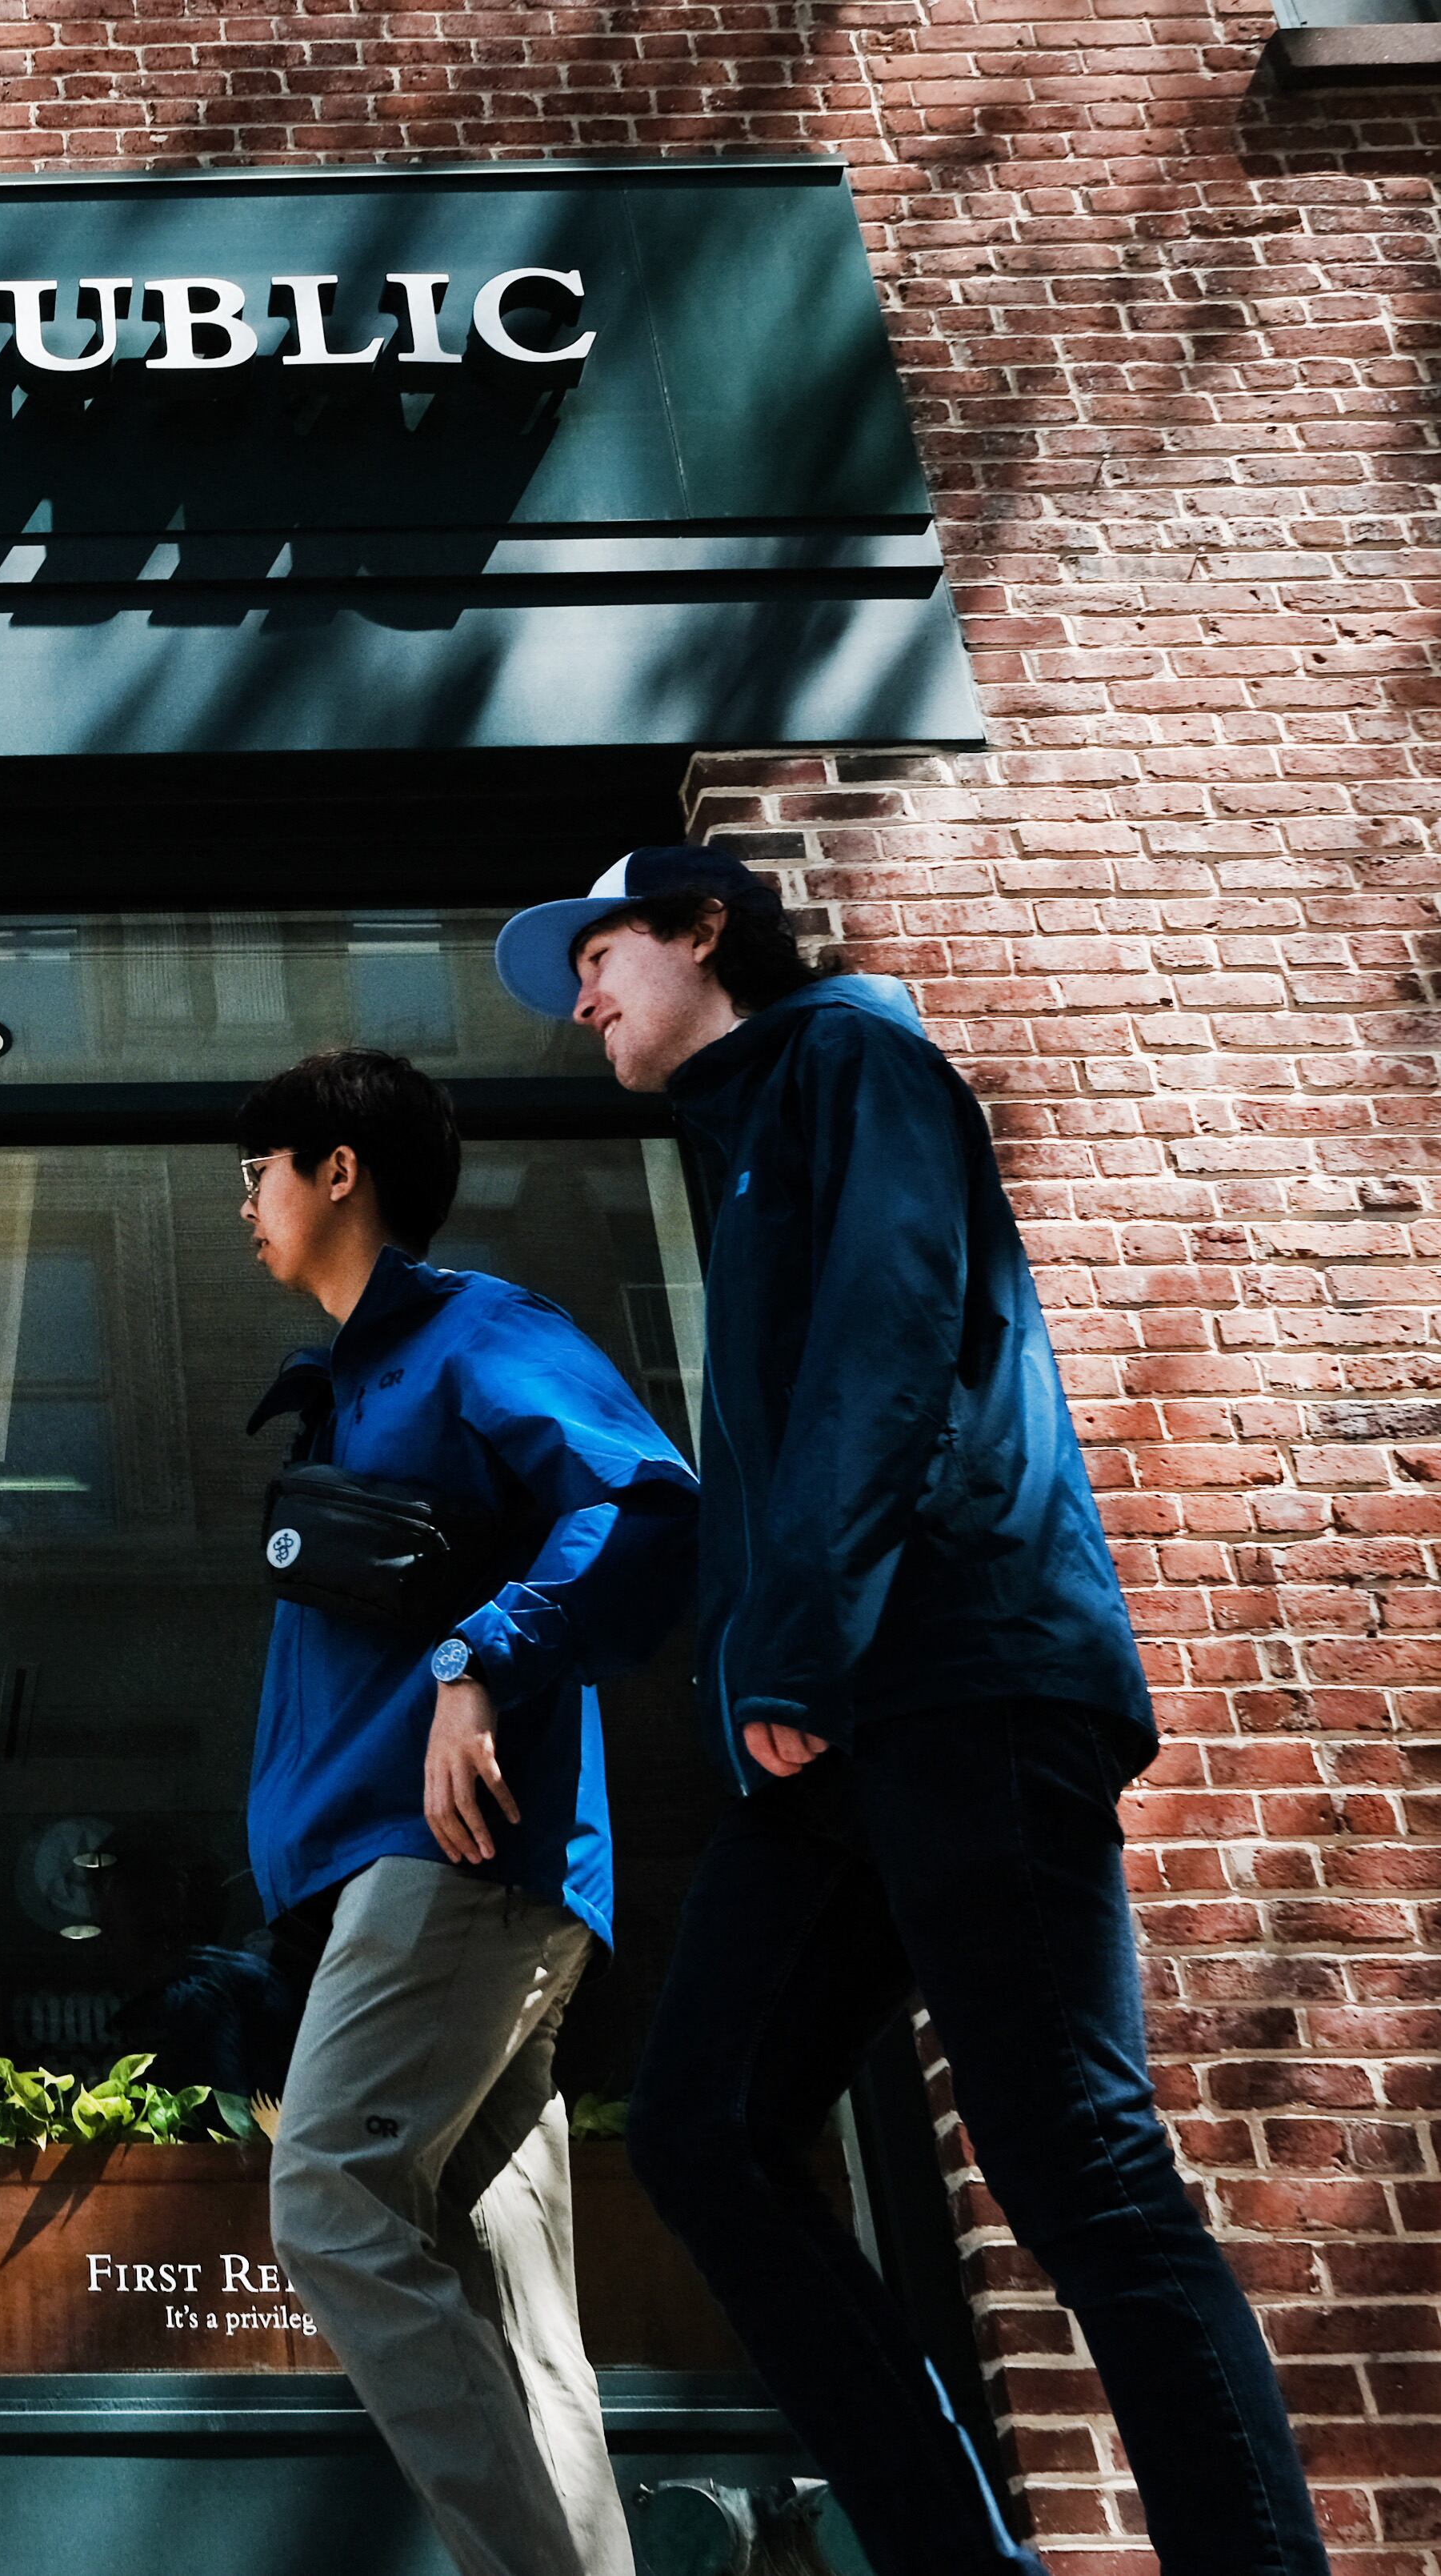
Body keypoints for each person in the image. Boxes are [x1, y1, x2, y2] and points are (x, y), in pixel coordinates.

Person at [496, 845, 1327, 2576]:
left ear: (703, 926)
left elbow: (893, 1337)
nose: (579, 998)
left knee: (1078, 2162)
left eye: (597, 952)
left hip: (959, 1676)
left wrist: (792, 1646)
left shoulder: (856, 1060)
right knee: (711, 2126)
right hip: (840, 1730)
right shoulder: (748, 1138)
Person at [234, 1048, 696, 2576]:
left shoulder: (476, 1335)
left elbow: (640, 1502)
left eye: (261, 1171)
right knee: (512, 2302)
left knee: (331, 2209)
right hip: (402, 1892)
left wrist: (478, 1660)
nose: (244, 1201)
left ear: (338, 1170)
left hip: (453, 1872)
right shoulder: (345, 1394)